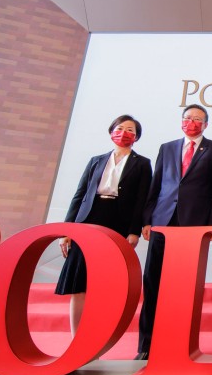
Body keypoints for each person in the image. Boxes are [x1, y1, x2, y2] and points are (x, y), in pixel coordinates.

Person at [136, 104, 212, 360]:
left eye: (198, 119)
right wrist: (147, 219)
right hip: (162, 222)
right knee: (152, 282)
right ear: (181, 121)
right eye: (188, 118)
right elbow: (156, 185)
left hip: (194, 226)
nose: (192, 122)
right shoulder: (167, 148)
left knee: (185, 285)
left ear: (206, 125)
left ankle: (179, 342)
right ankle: (146, 345)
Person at [55, 115, 151, 336]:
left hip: (118, 221)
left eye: (130, 130)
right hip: (88, 219)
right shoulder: (96, 160)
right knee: (80, 281)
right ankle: (76, 337)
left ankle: (97, 336)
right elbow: (79, 194)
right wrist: (67, 229)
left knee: (106, 280)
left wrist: (134, 231)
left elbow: (141, 200)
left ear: (136, 137)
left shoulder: (142, 163)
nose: (124, 133)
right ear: (111, 132)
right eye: (120, 128)